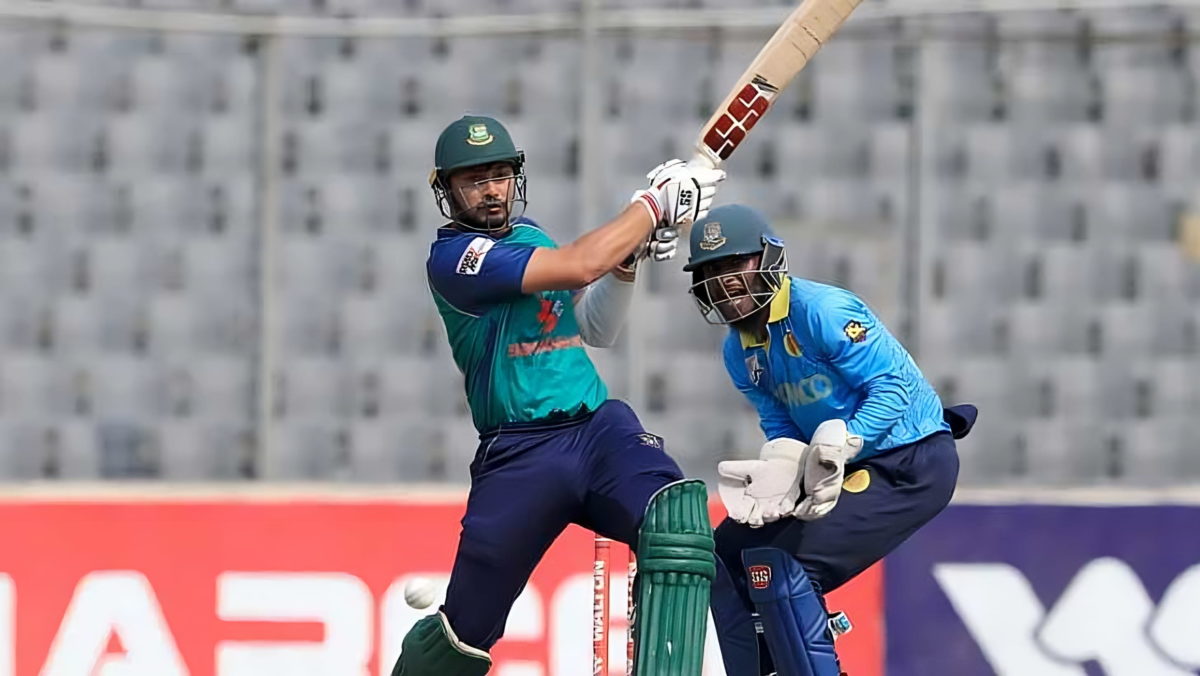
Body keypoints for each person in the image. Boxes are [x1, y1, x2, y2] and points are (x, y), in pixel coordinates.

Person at [390, 115, 727, 676]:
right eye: (475, 180)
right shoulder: (455, 260)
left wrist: (626, 263)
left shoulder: (531, 237)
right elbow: (579, 265)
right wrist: (652, 207)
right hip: (519, 454)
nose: (491, 190)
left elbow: (596, 329)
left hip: (597, 431)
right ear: (446, 190)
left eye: (500, 175)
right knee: (463, 635)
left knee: (678, 526)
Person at [680, 204, 977, 676]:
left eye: (735, 263)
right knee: (722, 555)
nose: (725, 281)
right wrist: (785, 468)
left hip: (910, 461)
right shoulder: (739, 351)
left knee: (787, 564)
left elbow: (893, 389)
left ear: (770, 258)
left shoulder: (822, 310)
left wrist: (847, 442)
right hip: (840, 469)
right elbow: (781, 424)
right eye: (711, 271)